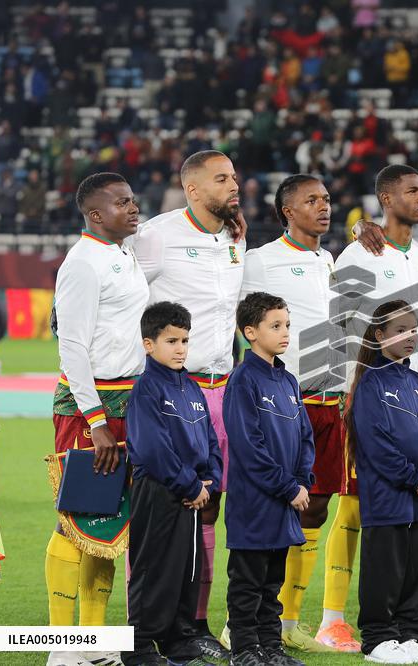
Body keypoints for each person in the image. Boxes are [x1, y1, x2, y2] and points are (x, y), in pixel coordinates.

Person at [132, 150, 246, 659]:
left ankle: (191, 624)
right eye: (222, 179)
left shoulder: (235, 239)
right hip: (173, 390)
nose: (234, 186)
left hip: (222, 391)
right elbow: (121, 290)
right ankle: (142, 630)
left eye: (235, 177)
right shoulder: (157, 234)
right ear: (194, 190)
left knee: (209, 509)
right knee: (161, 514)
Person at [322, 165, 418, 650]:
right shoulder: (360, 251)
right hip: (367, 393)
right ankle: (332, 619)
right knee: (354, 503)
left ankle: (404, 620)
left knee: (409, 512)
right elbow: (336, 323)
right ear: (385, 199)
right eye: (412, 191)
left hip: (413, 390)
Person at [47, 173, 148, 666]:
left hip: (127, 402)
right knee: (76, 521)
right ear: (94, 214)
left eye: (133, 199)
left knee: (109, 528)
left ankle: (91, 643)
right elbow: (72, 347)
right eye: (122, 202)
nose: (133, 208)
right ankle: (61, 649)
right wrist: (95, 420)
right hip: (91, 409)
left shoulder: (123, 252)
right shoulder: (83, 263)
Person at [239, 175, 342, 654]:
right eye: (311, 201)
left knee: (316, 506)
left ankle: (288, 622)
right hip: (282, 399)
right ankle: (244, 626)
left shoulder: (329, 260)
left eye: (325, 199)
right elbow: (237, 317)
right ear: (287, 210)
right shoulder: (260, 260)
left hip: (328, 399)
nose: (323, 207)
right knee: (269, 508)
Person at [345, 300, 418, 665]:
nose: (410, 336)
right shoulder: (370, 383)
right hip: (388, 497)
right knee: (385, 568)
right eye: (400, 330)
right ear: (379, 336)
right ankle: (377, 638)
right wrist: (413, 477)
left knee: (416, 568)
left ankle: (409, 633)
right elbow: (376, 443)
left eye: (413, 329)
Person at [124, 302, 222, 666]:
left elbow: (210, 440)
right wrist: (190, 485)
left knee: (186, 568)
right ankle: (139, 645)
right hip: (160, 492)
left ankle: (178, 638)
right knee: (154, 568)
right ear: (149, 345)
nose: (181, 348)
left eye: (185, 340)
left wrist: (209, 482)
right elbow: (153, 450)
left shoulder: (192, 388)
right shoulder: (147, 389)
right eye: (171, 341)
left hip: (193, 493)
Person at [222, 292, 315, 666]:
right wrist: (288, 486)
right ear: (250, 332)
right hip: (255, 502)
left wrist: (303, 479)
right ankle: (244, 649)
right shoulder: (243, 381)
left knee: (272, 583)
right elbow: (248, 445)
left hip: (286, 499)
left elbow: (304, 436)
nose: (285, 332)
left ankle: (270, 647)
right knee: (247, 581)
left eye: (287, 325)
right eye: (275, 326)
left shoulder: (289, 381)